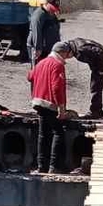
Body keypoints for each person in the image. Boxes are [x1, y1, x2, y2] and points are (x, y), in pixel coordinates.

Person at [28, 41, 73, 173]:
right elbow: (57, 87)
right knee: (58, 133)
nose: (67, 57)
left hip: (38, 102)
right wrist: (61, 107)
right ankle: (54, 166)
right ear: (62, 52)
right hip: (50, 104)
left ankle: (41, 165)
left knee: (43, 135)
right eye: (67, 54)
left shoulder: (41, 62)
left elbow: (30, 76)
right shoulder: (58, 65)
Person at [67, 38, 103, 119]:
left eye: (67, 55)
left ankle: (95, 112)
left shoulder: (81, 49)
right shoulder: (75, 45)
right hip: (98, 64)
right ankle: (96, 110)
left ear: (69, 51)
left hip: (102, 64)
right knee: (95, 88)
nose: (67, 58)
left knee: (95, 88)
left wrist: (102, 69)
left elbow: (100, 52)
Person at [27, 0, 62, 66]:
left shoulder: (52, 15)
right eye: (52, 9)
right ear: (47, 4)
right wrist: (38, 48)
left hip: (48, 47)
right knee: (38, 70)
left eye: (55, 9)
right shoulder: (39, 15)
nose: (53, 11)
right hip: (39, 48)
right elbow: (36, 32)